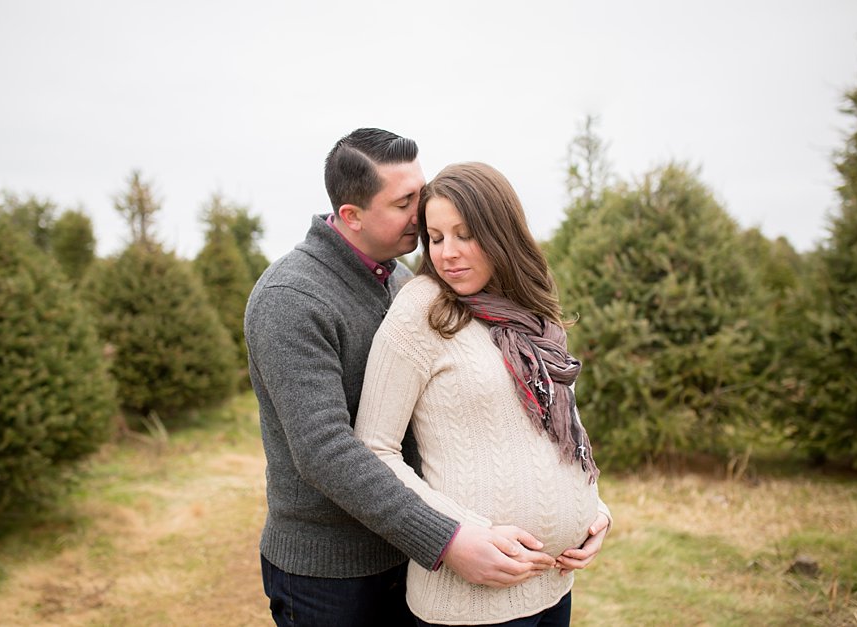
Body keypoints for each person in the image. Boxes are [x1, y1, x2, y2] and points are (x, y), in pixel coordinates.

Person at [246, 130, 590, 627]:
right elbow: (324, 450)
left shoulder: (408, 283)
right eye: (405, 201)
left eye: (420, 191)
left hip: (408, 550)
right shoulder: (291, 298)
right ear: (352, 216)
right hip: (334, 572)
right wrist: (446, 537)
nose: (422, 210)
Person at [353, 161, 612, 626]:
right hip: (469, 602)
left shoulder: (534, 315)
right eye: (436, 238)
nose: (447, 253)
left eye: (465, 234)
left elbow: (561, 431)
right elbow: (375, 448)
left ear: (500, 232)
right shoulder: (423, 308)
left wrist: (595, 509)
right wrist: (456, 533)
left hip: (554, 584)